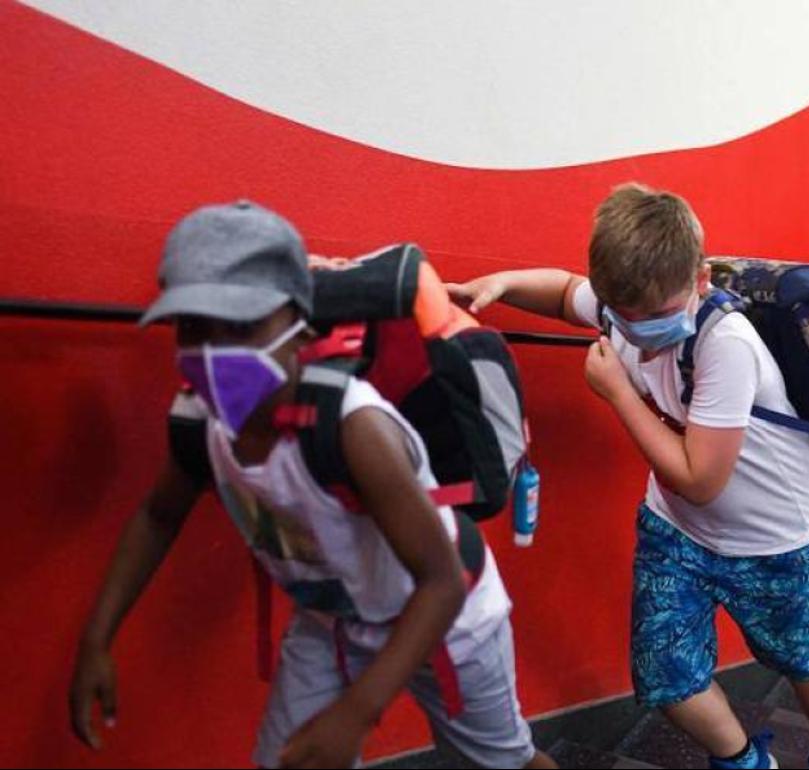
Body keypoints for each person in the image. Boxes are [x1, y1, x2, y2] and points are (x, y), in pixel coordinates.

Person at [68, 201, 554, 769]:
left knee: (505, 764)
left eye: (243, 327)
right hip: (334, 623)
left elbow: (440, 581)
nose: (215, 350)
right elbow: (157, 516)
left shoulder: (352, 425)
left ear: (297, 323)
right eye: (193, 329)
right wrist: (95, 639)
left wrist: (359, 710)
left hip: (448, 620)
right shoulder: (201, 420)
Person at [450, 183, 809, 769]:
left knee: (800, 657)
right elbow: (565, 292)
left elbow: (700, 478)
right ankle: (744, 762)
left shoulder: (726, 342)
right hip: (677, 532)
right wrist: (499, 287)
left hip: (774, 542)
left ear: (700, 280)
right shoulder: (628, 304)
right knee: (666, 676)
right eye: (623, 314)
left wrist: (618, 392)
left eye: (655, 315)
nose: (635, 327)